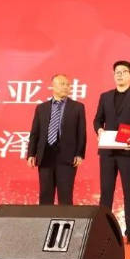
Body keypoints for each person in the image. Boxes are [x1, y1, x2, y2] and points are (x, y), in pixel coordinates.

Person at [93, 60, 130, 245]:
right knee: (106, 192)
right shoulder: (105, 96)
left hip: (128, 150)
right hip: (107, 151)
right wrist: (99, 130)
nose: (119, 74)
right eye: (117, 72)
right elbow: (97, 120)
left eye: (124, 71)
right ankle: (103, 230)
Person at [26, 73, 86, 206]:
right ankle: (44, 219)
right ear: (52, 86)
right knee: (45, 195)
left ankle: (65, 220)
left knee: (65, 196)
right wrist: (31, 154)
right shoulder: (41, 108)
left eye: (68, 84)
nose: (66, 87)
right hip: (45, 155)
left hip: (67, 157)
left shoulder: (77, 107)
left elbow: (81, 132)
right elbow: (35, 133)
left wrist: (79, 154)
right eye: (62, 84)